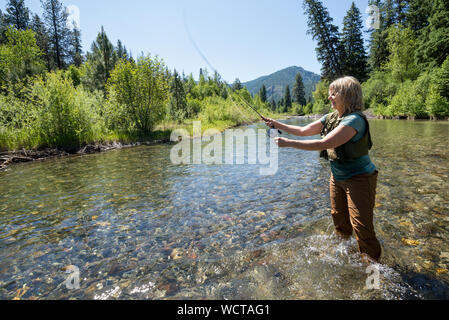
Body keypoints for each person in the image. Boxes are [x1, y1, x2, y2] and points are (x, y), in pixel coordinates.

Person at [262, 76, 381, 264]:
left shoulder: (355, 120)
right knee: (339, 220)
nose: (329, 98)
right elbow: (303, 131)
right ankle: (347, 254)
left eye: (334, 94)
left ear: (347, 95)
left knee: (362, 228)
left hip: (359, 179)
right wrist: (276, 124)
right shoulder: (331, 117)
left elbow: (325, 143)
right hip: (337, 177)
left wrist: (287, 143)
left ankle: (373, 270)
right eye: (329, 94)